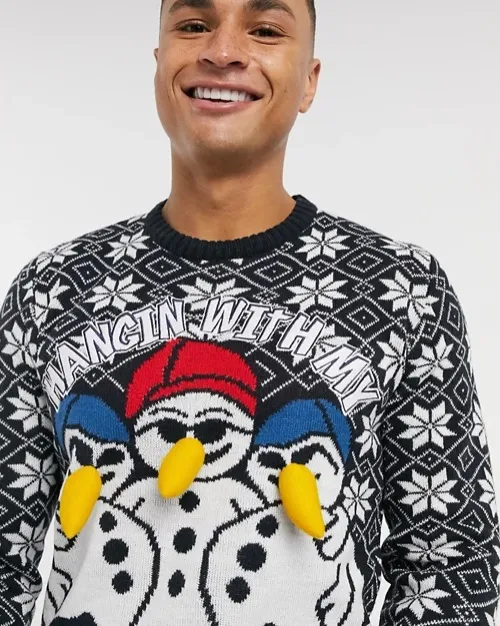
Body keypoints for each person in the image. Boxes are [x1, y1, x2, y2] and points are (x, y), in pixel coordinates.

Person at [0, 0, 498, 624]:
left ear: (309, 80)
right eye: (193, 25)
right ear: (159, 63)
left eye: (265, 30)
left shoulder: (401, 289)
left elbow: (449, 561)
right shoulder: (52, 289)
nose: (223, 51)